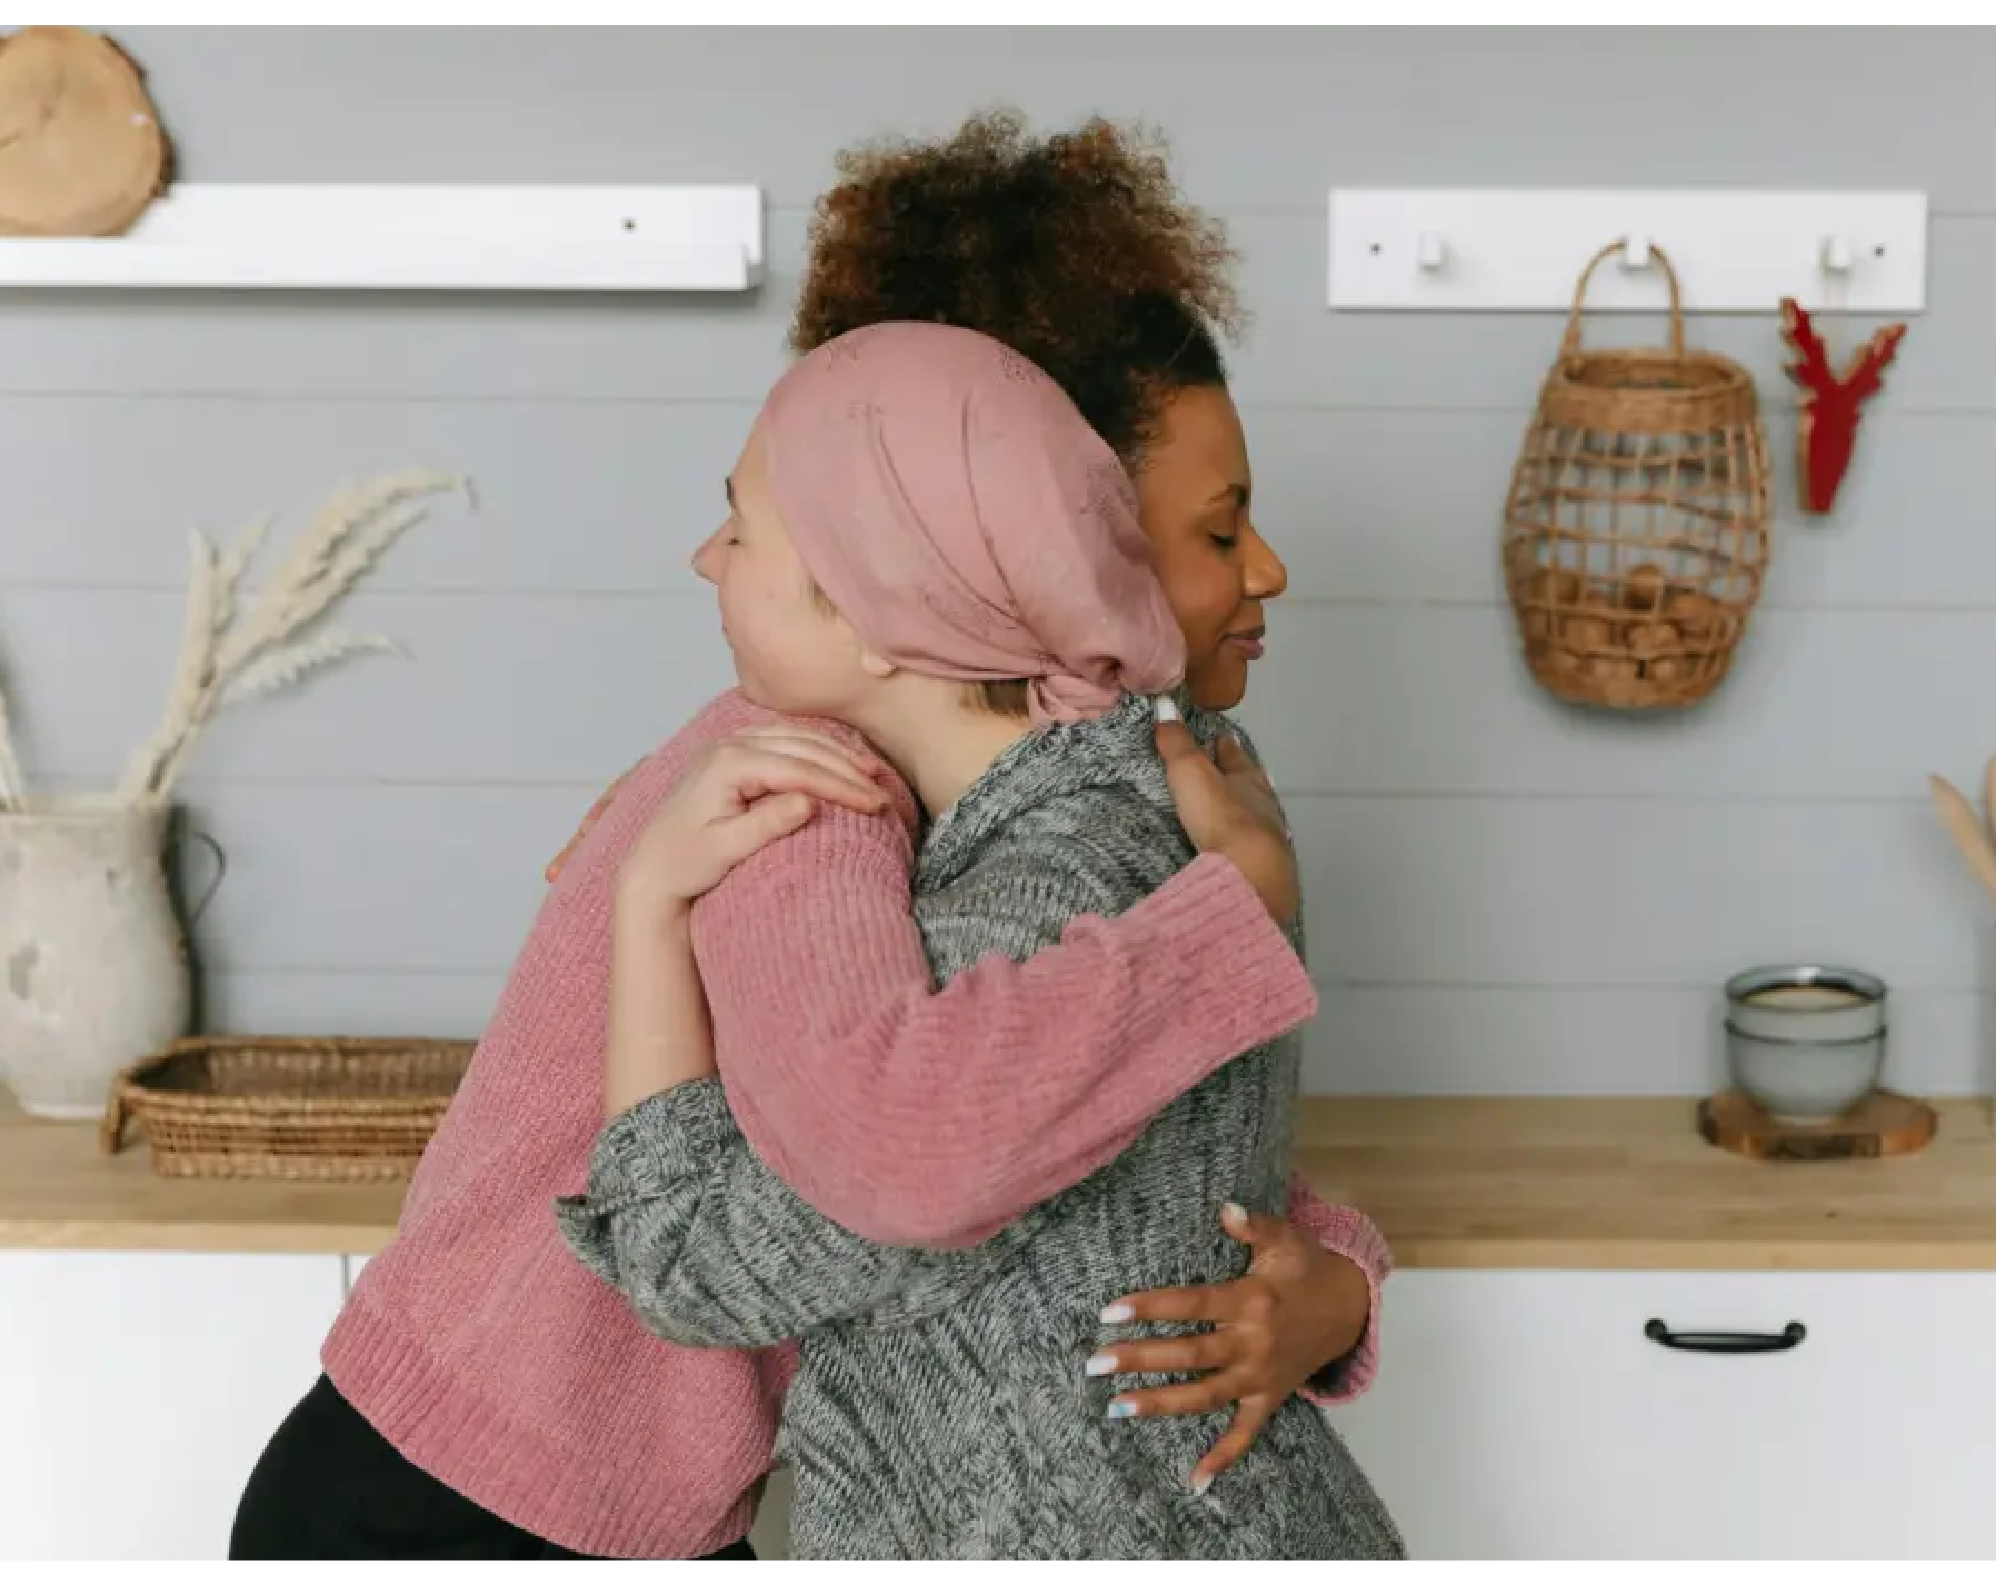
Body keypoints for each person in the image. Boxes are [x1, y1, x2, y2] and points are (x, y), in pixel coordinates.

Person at [225, 115, 1390, 1565]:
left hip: (612, 1493)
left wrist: (1333, 1277)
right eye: (1209, 529)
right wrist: (1235, 921)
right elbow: (895, 1164)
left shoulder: (1060, 792)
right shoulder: (816, 792)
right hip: (488, 1490)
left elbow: (1076, 1139)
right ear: (986, 546)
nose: (1259, 568)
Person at [556, 320, 1404, 1561]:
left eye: (740, 528)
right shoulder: (1174, 795)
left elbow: (700, 1260)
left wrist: (649, 905)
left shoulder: (1034, 897)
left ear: (877, 612)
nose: (705, 556)